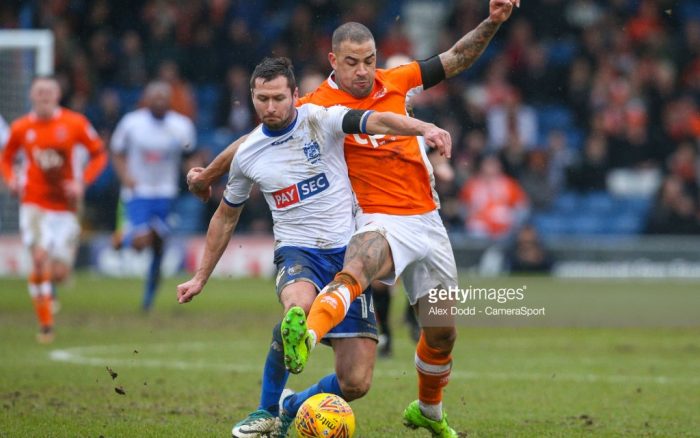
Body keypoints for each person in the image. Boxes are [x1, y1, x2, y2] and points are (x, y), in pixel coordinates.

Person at [188, 2, 519, 435]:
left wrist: (491, 21)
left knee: (441, 332)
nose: (363, 72)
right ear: (333, 61)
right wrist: (209, 175)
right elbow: (254, 140)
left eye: (369, 61)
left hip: (428, 220)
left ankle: (427, 410)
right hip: (376, 217)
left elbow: (456, 58)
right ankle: (304, 337)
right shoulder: (315, 105)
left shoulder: (398, 81)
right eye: (352, 63)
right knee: (360, 265)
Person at [176, 57, 451, 438]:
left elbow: (375, 120)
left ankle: (291, 405)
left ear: (294, 96)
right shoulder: (249, 154)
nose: (269, 108)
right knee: (299, 309)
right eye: (261, 99)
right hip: (298, 253)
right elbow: (225, 216)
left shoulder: (321, 119)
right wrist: (200, 277)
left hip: (348, 253)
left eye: (277, 98)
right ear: (252, 97)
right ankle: (265, 410)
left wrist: (421, 127)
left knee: (356, 382)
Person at [0, 76, 107, 343]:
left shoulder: (75, 123)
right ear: (31, 96)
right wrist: (11, 180)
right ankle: (46, 324)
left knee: (58, 272)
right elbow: (5, 157)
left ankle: (48, 290)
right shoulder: (22, 127)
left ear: (58, 94)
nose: (44, 95)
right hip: (34, 203)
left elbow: (99, 154)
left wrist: (81, 183)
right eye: (39, 91)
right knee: (38, 258)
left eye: (49, 91)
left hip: (66, 207)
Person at [111, 81, 196, 311]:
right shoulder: (132, 123)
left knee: (159, 245)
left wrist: (198, 176)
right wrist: (125, 176)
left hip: (166, 194)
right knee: (142, 241)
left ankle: (147, 300)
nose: (159, 100)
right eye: (154, 97)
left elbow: (189, 156)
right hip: (138, 193)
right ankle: (124, 238)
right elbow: (117, 152)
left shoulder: (181, 125)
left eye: (163, 97)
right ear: (146, 99)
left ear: (169, 100)